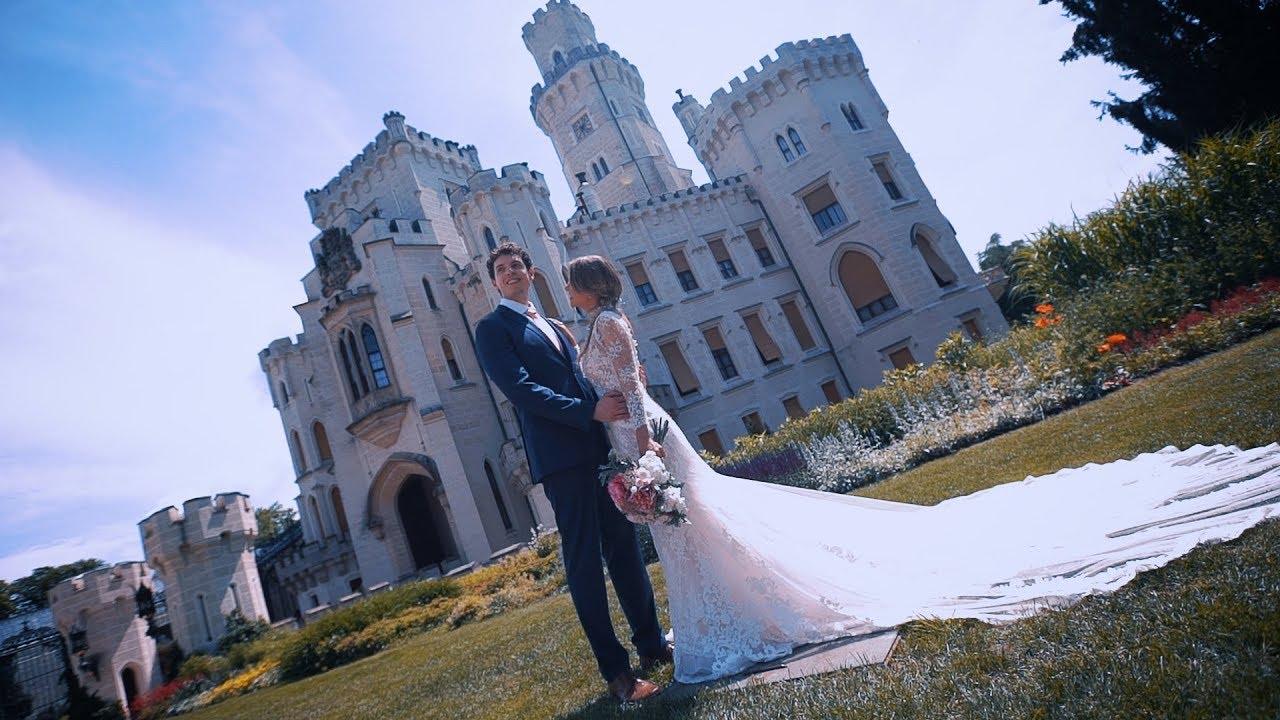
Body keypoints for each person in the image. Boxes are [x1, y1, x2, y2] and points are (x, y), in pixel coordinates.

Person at [564, 253, 1280, 684]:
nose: (567, 293)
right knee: (688, 533)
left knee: (699, 523)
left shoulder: (612, 325)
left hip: (647, 439)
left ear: (588, 287)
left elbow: (634, 388)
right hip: (628, 441)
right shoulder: (591, 326)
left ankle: (743, 614)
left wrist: (647, 450)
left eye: (571, 284)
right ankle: (720, 619)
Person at [473, 243, 672, 703]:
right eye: (501, 269)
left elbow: (582, 377)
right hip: (561, 458)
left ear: (531, 273)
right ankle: (618, 674)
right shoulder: (492, 329)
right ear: (494, 281)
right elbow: (522, 391)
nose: (510, 272)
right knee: (584, 560)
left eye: (517, 266)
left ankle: (652, 644)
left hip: (599, 446)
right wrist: (588, 411)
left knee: (624, 547)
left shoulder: (554, 325)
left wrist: (622, 385)